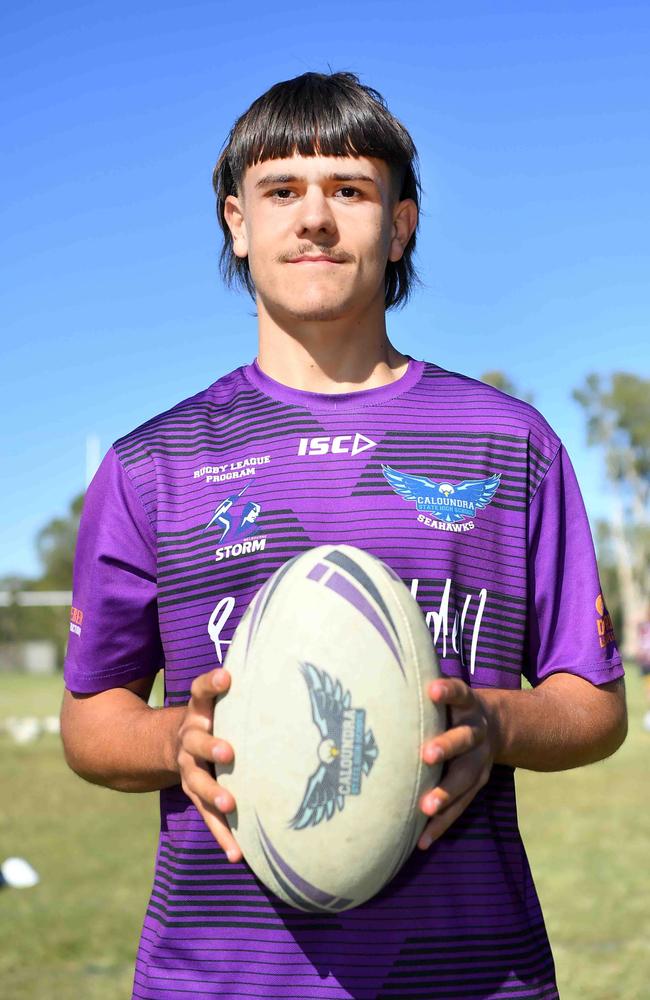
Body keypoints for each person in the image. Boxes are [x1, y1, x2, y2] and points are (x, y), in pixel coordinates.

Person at [61, 71, 627, 1000]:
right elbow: (91, 722)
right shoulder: (151, 464)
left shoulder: (505, 441)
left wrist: (499, 721)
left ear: (400, 225)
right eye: (281, 191)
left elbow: (594, 703)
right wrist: (177, 744)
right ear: (237, 224)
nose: (314, 219)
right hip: (220, 976)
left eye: (350, 191)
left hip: (473, 974)